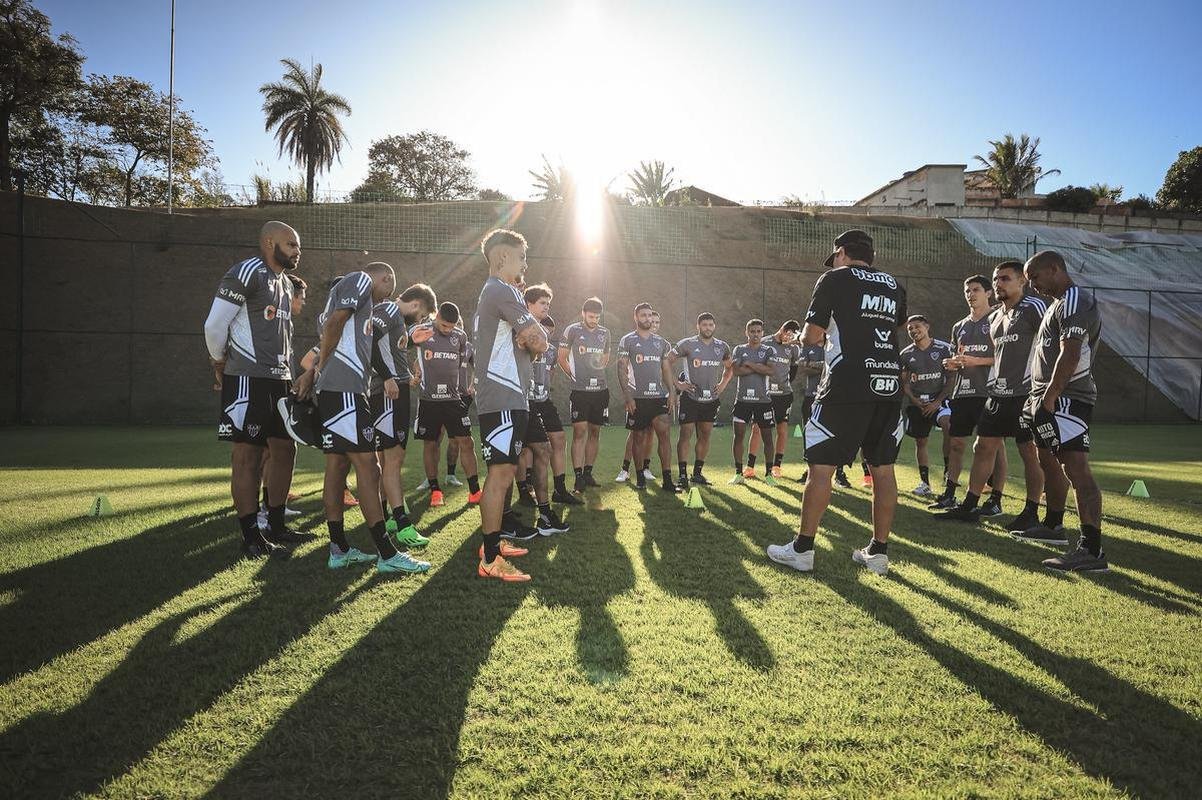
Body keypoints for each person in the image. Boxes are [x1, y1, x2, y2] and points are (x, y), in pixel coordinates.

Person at [766, 229, 907, 576]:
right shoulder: (893, 285)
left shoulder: (835, 278)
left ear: (842, 252)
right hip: (889, 383)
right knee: (883, 469)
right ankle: (878, 553)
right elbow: (894, 325)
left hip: (847, 384)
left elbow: (813, 335)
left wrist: (803, 337)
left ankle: (802, 548)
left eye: (837, 256)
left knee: (822, 468)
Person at [295, 262, 429, 574]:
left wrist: (315, 371)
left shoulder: (356, 298)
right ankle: (387, 553)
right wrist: (317, 370)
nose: (388, 296)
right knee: (370, 468)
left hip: (340, 390)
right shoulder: (358, 281)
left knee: (338, 466)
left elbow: (336, 328)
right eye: (389, 287)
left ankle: (339, 548)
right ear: (385, 277)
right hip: (344, 391)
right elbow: (333, 325)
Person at [203, 220, 306, 559]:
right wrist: (219, 362)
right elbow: (215, 324)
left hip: (280, 380)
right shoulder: (247, 272)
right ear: (269, 242)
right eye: (290, 244)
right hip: (247, 378)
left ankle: (275, 524)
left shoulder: (286, 284)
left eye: (297, 246)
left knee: (285, 450)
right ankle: (250, 536)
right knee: (246, 456)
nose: (296, 251)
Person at [1014, 251, 1108, 572]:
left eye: (1036, 278)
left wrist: (1051, 397)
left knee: (1075, 468)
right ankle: (1053, 526)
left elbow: (1071, 353)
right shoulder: (1056, 304)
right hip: (1045, 397)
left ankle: (1091, 550)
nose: (1033, 286)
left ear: (1054, 269)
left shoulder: (1074, 299)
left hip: (1067, 398)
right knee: (1047, 461)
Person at [936, 262, 1048, 527]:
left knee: (1029, 452)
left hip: (1026, 394)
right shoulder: (996, 317)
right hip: (997, 393)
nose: (999, 284)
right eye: (996, 279)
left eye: (1005, 279)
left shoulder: (1033, 307)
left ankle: (1031, 511)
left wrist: (1047, 386)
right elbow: (998, 356)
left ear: (1022, 281)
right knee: (983, 446)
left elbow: (1052, 342)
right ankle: (969, 506)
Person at [474, 229, 549, 582]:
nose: (524, 264)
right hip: (502, 395)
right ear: (502, 257)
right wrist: (534, 338)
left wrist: (531, 338)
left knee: (503, 473)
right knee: (501, 474)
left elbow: (532, 339)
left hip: (508, 395)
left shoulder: (497, 292)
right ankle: (490, 558)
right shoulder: (502, 290)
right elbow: (541, 340)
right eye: (521, 257)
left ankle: (494, 542)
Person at [930, 275, 1006, 510]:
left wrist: (977, 361)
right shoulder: (959, 326)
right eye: (967, 291)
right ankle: (950, 493)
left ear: (988, 293)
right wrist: (952, 364)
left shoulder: (999, 318)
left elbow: (1006, 358)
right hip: (963, 394)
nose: (970, 294)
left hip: (990, 392)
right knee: (956, 445)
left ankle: (995, 500)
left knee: (994, 447)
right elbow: (959, 357)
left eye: (976, 289)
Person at [366, 288, 431, 552]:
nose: (420, 319)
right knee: (392, 458)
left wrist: (412, 343)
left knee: (389, 458)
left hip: (396, 389)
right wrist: (388, 376)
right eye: (422, 314)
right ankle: (402, 524)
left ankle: (389, 518)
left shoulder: (397, 319)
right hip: (388, 392)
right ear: (414, 304)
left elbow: (387, 347)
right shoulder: (389, 310)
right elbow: (369, 342)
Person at [411, 302, 481, 507]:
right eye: (444, 326)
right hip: (429, 401)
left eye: (451, 327)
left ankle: (475, 491)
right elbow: (415, 357)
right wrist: (415, 374)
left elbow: (461, 364)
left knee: (466, 442)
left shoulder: (460, 336)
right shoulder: (422, 332)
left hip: (453, 400)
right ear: (436, 316)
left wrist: (468, 386)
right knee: (431, 443)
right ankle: (435, 490)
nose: (448, 330)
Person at [517, 283, 573, 533]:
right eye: (542, 303)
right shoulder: (519, 326)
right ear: (527, 305)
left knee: (544, 448)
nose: (546, 307)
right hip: (515, 400)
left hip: (536, 401)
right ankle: (513, 509)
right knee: (514, 457)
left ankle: (547, 510)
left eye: (548, 304)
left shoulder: (541, 336)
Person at [617, 303, 680, 493]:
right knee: (639, 437)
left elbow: (666, 369)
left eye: (649, 316)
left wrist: (672, 391)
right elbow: (621, 369)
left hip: (658, 397)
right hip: (637, 398)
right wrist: (628, 397)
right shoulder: (627, 340)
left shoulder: (661, 342)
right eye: (643, 315)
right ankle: (640, 478)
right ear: (635, 317)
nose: (647, 319)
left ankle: (667, 480)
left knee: (664, 435)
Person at [669, 312, 733, 488]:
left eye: (711, 325)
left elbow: (730, 368)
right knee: (686, 435)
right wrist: (678, 384)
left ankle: (697, 474)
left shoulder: (722, 347)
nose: (708, 328)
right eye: (704, 325)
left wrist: (722, 384)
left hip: (710, 400)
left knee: (705, 435)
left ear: (715, 326)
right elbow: (666, 362)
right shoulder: (687, 344)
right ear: (698, 326)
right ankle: (682, 475)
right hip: (690, 398)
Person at [898, 315, 954, 497]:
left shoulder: (944, 349)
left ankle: (947, 472)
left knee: (948, 424)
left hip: (940, 400)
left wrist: (937, 402)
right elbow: (904, 384)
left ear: (927, 326)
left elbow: (952, 379)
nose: (914, 331)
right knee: (921, 441)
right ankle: (925, 483)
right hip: (918, 403)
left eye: (917, 327)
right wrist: (915, 401)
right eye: (910, 329)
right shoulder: (906, 354)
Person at [559, 297, 611, 492]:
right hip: (580, 392)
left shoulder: (605, 333)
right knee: (580, 432)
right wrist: (574, 377)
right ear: (583, 313)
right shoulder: (572, 330)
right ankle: (578, 476)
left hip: (600, 391)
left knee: (595, 432)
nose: (594, 320)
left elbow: (605, 360)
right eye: (591, 316)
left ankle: (588, 473)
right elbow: (561, 358)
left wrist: (595, 372)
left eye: (597, 317)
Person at [748, 320, 802, 478]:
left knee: (782, 429)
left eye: (793, 336)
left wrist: (783, 384)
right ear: (782, 330)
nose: (790, 338)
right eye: (788, 334)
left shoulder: (793, 348)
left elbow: (793, 370)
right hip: (765, 394)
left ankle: (777, 466)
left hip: (784, 395)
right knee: (757, 428)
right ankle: (750, 466)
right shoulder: (765, 343)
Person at [728, 319, 777, 485]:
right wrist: (758, 366)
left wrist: (748, 364)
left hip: (763, 401)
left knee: (768, 438)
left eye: (758, 331)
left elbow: (770, 370)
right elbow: (736, 371)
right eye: (752, 331)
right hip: (742, 400)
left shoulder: (768, 350)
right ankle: (738, 473)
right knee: (739, 436)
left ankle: (769, 474)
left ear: (762, 333)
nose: (755, 334)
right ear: (746, 332)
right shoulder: (739, 349)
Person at [794, 336, 825, 485]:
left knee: (834, 436)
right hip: (811, 397)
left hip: (830, 399)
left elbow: (836, 368)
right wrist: (823, 366)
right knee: (809, 435)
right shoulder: (807, 348)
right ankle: (809, 470)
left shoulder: (833, 345)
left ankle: (839, 473)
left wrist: (812, 365)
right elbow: (802, 369)